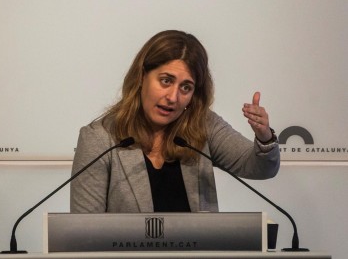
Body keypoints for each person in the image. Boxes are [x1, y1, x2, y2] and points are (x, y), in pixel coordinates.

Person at [70, 30, 280, 213]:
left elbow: (261, 169)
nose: (173, 97)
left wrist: (264, 136)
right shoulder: (100, 138)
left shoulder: (203, 125)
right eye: (166, 81)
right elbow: (85, 233)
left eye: (185, 87)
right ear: (142, 76)